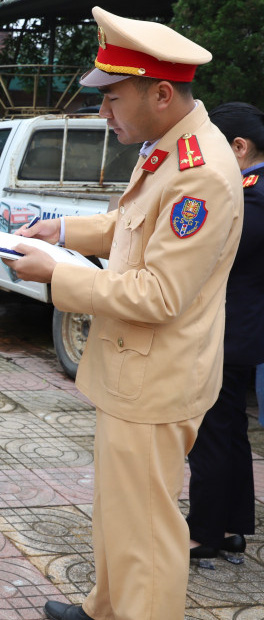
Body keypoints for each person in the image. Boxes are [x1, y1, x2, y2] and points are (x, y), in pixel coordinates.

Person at [4, 7, 244, 620]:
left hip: (157, 378)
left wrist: (58, 274)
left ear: (161, 94)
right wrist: (59, 229)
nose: (102, 111)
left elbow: (159, 293)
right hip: (135, 371)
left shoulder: (202, 174)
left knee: (148, 535)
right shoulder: (166, 146)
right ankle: (104, 609)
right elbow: (126, 225)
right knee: (119, 509)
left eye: (111, 97)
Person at [186, 102, 264, 560]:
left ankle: (204, 534)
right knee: (231, 431)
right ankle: (232, 527)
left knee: (211, 433)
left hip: (230, 332)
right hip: (243, 332)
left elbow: (217, 250)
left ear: (238, 147)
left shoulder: (251, 194)